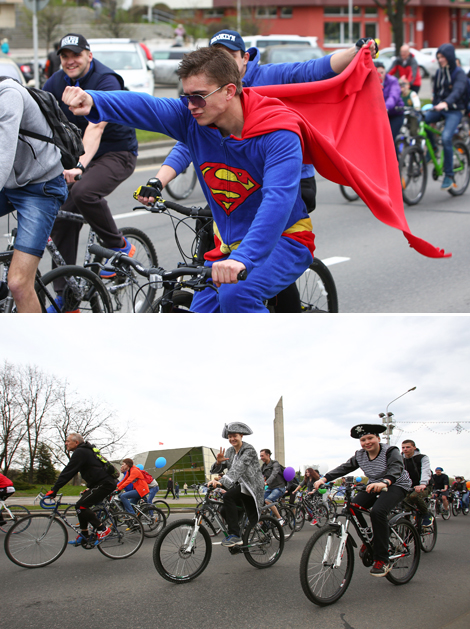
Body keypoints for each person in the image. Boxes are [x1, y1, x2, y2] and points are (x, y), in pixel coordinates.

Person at [61, 46, 318, 313]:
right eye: (186, 96)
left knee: (236, 295)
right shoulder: (192, 117)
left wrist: (244, 258)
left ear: (229, 91)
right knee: (199, 317)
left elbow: (278, 200)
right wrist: (93, 101)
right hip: (227, 248)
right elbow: (148, 106)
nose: (191, 105)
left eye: (199, 96)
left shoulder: (279, 132)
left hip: (286, 239)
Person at [42, 33, 138, 305]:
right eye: (65, 56)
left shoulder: (106, 81)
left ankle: (119, 246)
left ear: (89, 56)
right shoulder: (57, 82)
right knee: (61, 214)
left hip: (115, 153)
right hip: (78, 156)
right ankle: (66, 296)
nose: (70, 61)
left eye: (76, 55)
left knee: (84, 191)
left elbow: (96, 127)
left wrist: (78, 166)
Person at [0, 78, 68, 312]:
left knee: (18, 284)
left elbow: (3, 159)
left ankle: (39, 347)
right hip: (10, 184)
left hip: (41, 189)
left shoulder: (8, 95)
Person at [314, 424, 412, 577]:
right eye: (363, 439)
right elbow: (344, 468)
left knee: (378, 512)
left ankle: (382, 559)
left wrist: (385, 482)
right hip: (374, 484)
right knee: (352, 506)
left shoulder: (390, 451)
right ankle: (370, 539)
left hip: (396, 484)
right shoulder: (360, 455)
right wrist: (324, 478)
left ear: (378, 439)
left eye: (370, 438)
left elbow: (396, 468)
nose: (367, 442)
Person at [45, 433, 117, 545]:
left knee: (81, 506)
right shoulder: (85, 451)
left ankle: (102, 529)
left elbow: (68, 471)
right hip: (100, 483)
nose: (66, 443)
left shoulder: (81, 451)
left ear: (76, 442)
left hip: (105, 484)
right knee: (79, 506)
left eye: (68, 441)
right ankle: (85, 535)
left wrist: (55, 489)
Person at [207, 422, 265, 547]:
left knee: (228, 496)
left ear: (241, 436)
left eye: (235, 435)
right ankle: (239, 528)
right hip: (239, 485)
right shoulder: (229, 451)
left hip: (252, 486)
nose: (232, 439)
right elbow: (218, 469)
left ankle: (235, 535)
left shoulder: (248, 450)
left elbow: (238, 469)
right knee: (223, 510)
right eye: (229, 436)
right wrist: (218, 463)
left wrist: (220, 483)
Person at [425, 44, 469, 191]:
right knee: (423, 121)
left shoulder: (459, 73)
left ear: (449, 57)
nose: (440, 60)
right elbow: (436, 93)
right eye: (438, 57)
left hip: (454, 111)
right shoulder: (439, 73)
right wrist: (435, 104)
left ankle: (449, 175)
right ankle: (434, 149)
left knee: (446, 137)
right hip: (440, 108)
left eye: (443, 57)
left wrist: (446, 103)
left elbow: (457, 91)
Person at [401, 439, 433, 527]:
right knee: (404, 504)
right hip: (408, 486)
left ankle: (426, 515)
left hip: (424, 486)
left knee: (414, 496)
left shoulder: (422, 458)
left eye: (408, 447)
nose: (405, 449)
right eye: (403, 447)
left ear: (414, 448)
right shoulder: (401, 459)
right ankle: (409, 526)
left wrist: (423, 483)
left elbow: (425, 470)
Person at [375, 61, 405, 143]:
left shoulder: (393, 81)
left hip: (395, 114)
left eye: (382, 72)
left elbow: (393, 96)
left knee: (389, 140)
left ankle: (395, 156)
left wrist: (386, 107)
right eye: (377, 73)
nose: (380, 75)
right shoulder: (372, 83)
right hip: (381, 115)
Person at [260, 448, 286, 524]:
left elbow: (274, 474)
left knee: (268, 501)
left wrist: (266, 483)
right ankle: (260, 522)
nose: (261, 458)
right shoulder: (263, 466)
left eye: (262, 456)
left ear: (268, 455)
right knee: (259, 502)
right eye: (260, 456)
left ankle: (280, 519)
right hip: (270, 488)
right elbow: (259, 476)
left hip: (279, 487)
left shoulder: (275, 463)